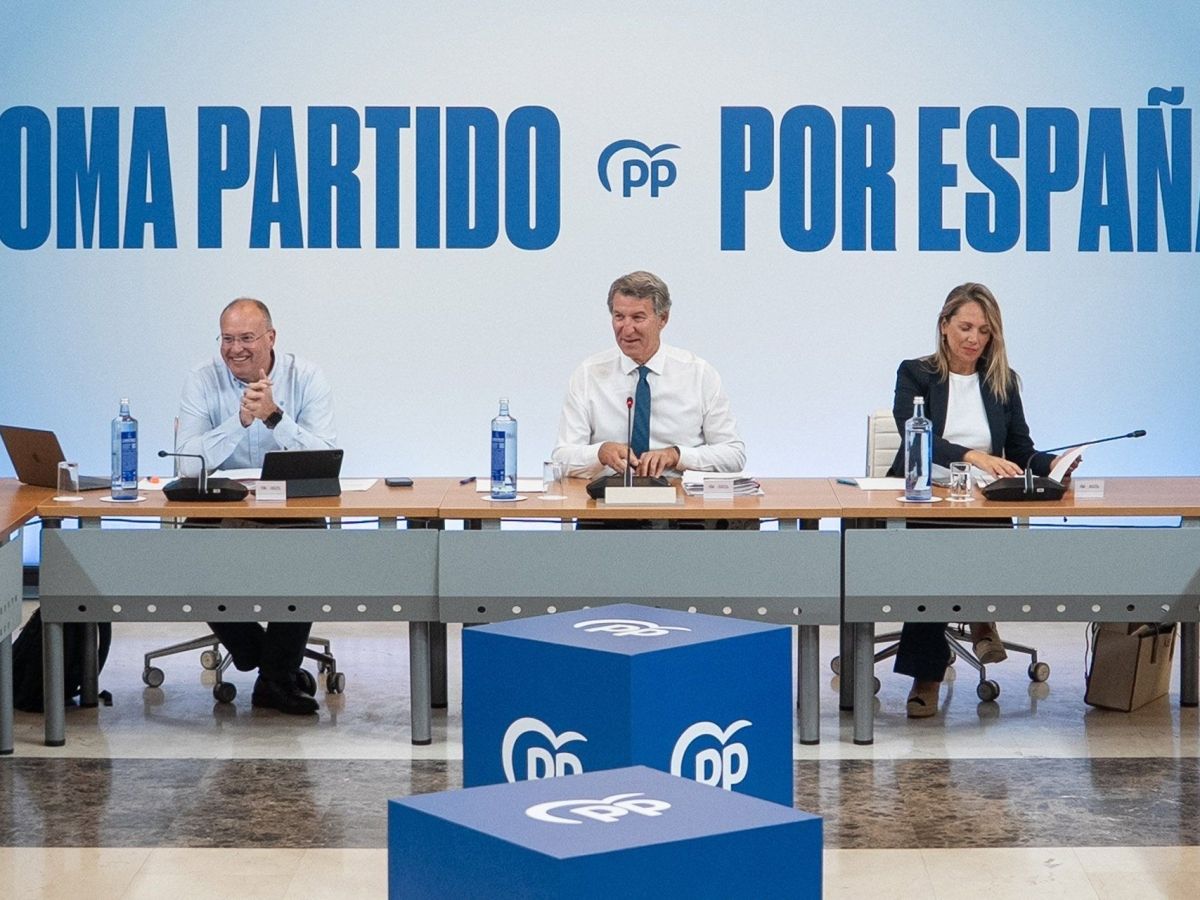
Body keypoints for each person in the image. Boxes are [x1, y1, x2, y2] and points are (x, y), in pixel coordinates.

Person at [888, 282, 1079, 718]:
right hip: (926, 496)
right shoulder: (915, 373)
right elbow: (916, 435)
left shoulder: (1002, 382)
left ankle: (951, 646)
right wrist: (974, 455)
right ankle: (941, 660)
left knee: (966, 540)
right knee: (934, 557)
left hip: (983, 502)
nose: (974, 339)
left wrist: (1054, 464)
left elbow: (1021, 450)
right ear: (944, 325)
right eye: (966, 327)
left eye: (985, 331)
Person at [176, 297, 336, 715]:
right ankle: (261, 656)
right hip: (222, 509)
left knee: (310, 546)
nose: (236, 349)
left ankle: (274, 679)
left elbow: (324, 454)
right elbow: (186, 464)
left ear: (271, 338)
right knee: (185, 550)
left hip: (290, 508)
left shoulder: (307, 377)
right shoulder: (202, 379)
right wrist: (241, 421)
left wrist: (274, 417)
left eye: (247, 338)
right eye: (227, 339)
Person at [552, 270, 745, 479]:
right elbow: (561, 459)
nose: (627, 329)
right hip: (607, 494)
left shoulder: (699, 374)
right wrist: (599, 453)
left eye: (638, 318)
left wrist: (678, 456)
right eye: (619, 317)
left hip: (678, 495)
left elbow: (733, 455)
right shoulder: (589, 374)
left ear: (663, 319)